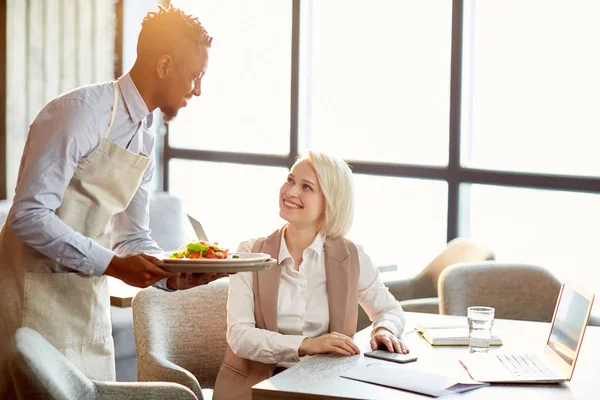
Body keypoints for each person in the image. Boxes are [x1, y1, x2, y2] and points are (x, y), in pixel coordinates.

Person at [0, 5, 220, 396]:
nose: (198, 90)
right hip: (29, 301)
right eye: (195, 76)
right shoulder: (80, 112)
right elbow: (28, 215)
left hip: (85, 306)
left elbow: (132, 237)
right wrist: (114, 265)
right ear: (165, 64)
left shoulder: (145, 137)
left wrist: (174, 275)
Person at [213, 150, 409, 400]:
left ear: (330, 203)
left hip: (325, 389)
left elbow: (390, 310)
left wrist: (383, 330)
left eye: (307, 187)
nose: (291, 192)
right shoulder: (250, 252)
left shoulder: (351, 256)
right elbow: (240, 336)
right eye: (291, 180)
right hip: (255, 389)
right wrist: (307, 345)